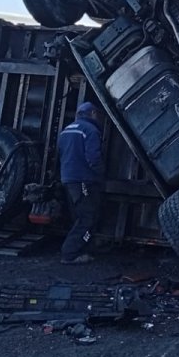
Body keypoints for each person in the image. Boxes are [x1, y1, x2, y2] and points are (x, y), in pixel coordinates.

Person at [58, 101, 105, 264]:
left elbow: (61, 153)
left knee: (78, 216)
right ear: (92, 113)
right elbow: (93, 157)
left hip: (68, 179)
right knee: (87, 217)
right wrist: (101, 175)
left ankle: (85, 248)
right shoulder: (91, 130)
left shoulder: (66, 130)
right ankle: (70, 253)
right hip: (84, 179)